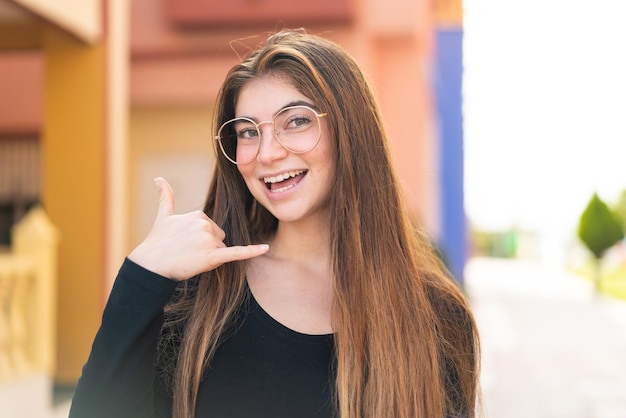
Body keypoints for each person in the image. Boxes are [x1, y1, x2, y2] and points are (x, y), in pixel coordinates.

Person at [69, 29, 480, 418]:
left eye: (296, 121)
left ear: (350, 131)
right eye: (248, 132)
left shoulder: (435, 314)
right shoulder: (195, 300)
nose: (267, 153)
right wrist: (142, 275)